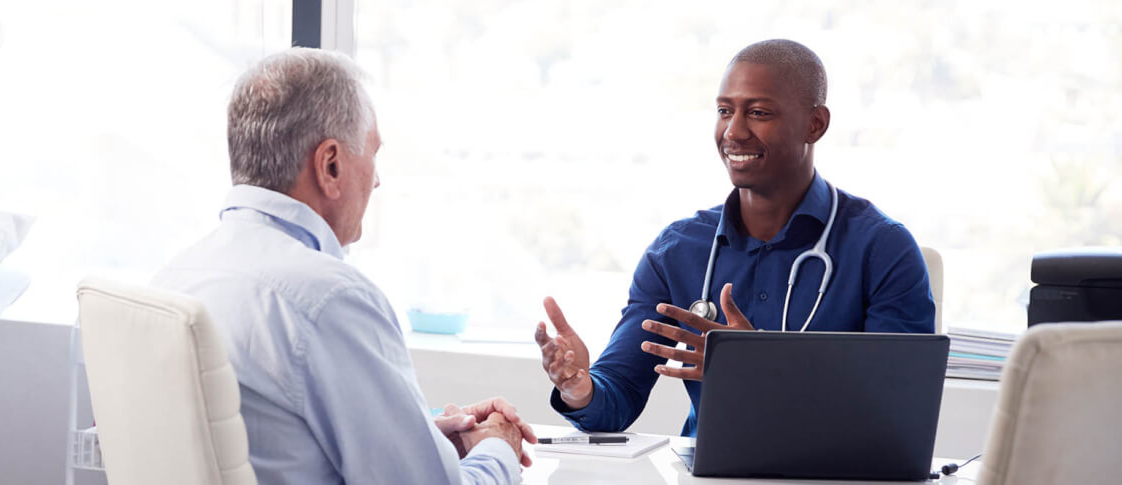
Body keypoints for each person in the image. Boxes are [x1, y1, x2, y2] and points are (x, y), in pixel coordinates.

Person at [152, 48, 535, 485]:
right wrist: (498, 448)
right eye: (372, 155)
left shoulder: (173, 280)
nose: (376, 180)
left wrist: (421, 440)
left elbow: (271, 448)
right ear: (330, 165)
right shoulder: (328, 299)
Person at [533, 39, 935, 437]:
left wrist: (765, 366)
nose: (734, 132)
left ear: (815, 124)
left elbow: (894, 414)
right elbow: (616, 398)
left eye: (758, 112)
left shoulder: (882, 249)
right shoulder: (676, 252)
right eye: (725, 111)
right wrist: (580, 388)